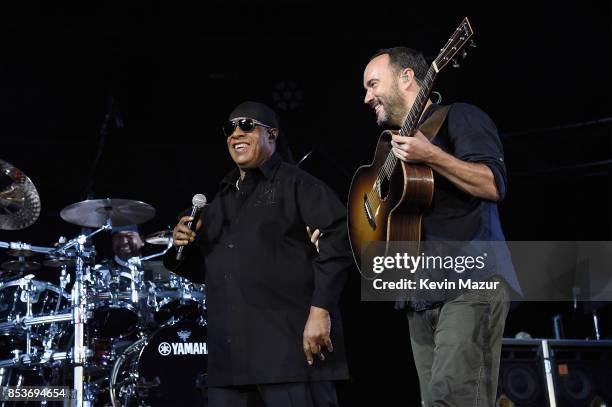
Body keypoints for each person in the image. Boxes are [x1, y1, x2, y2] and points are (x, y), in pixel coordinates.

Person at [163, 101, 352, 407]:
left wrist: (321, 310)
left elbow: (340, 236)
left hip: (289, 355)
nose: (236, 133)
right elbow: (210, 269)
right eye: (230, 128)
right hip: (230, 364)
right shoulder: (219, 201)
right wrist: (182, 246)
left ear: (272, 136)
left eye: (247, 125)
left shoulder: (296, 183)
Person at [362, 47, 521, 406]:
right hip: (419, 292)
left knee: (456, 400)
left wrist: (431, 154)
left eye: (373, 84)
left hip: (469, 280)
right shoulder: (392, 148)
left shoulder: (460, 117)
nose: (367, 97)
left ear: (406, 78)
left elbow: (492, 184)